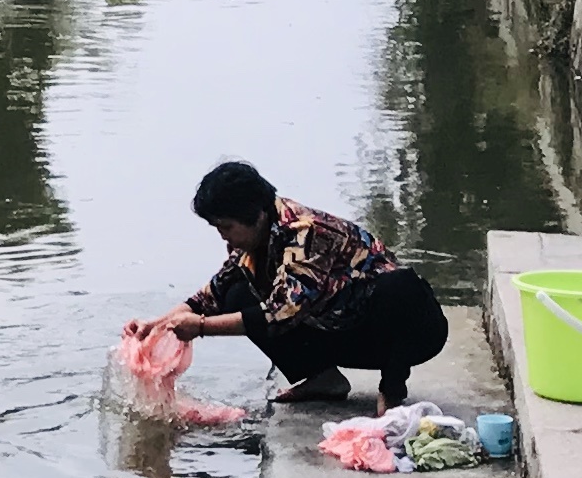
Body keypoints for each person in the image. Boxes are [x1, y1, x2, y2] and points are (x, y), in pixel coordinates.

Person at [166, 159, 450, 408]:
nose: (223, 237)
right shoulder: (254, 237)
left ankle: (391, 393)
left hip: (405, 334)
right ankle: (324, 379)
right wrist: (158, 326)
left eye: (226, 227)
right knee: (237, 293)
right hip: (338, 329)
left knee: (399, 287)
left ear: (255, 214)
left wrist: (201, 328)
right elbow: (214, 291)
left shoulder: (306, 232)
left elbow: (283, 311)